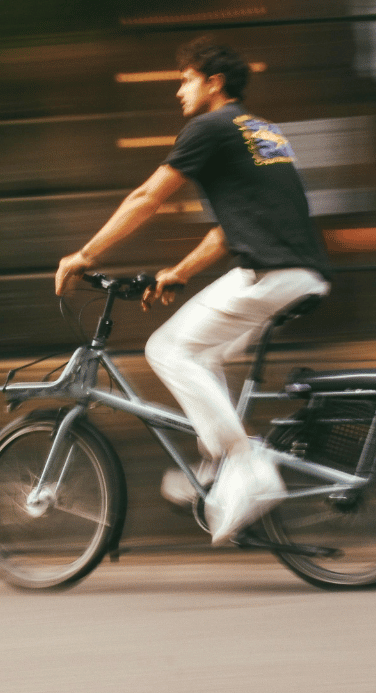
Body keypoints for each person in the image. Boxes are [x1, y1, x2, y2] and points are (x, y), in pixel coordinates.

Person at [54, 37, 331, 543]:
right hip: (296, 271)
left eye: (186, 79)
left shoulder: (210, 127)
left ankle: (245, 465)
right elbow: (230, 230)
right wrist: (179, 271)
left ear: (214, 82)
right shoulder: (263, 132)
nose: (180, 91)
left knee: (167, 347)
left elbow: (148, 197)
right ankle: (216, 465)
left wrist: (86, 255)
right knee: (205, 354)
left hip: (268, 274)